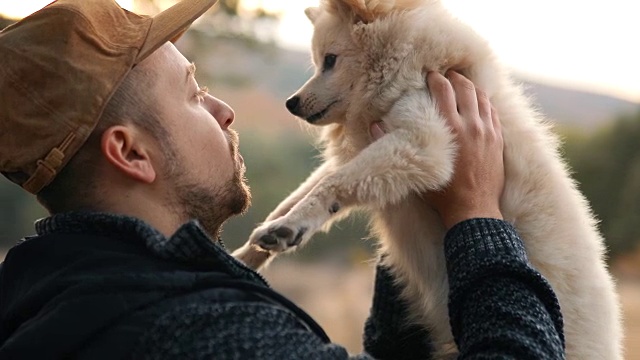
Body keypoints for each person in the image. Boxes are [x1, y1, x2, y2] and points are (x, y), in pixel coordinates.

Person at [0, 0, 565, 359]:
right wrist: (475, 216)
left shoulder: (45, 301)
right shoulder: (211, 334)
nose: (226, 110)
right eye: (194, 95)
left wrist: (420, 224)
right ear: (129, 152)